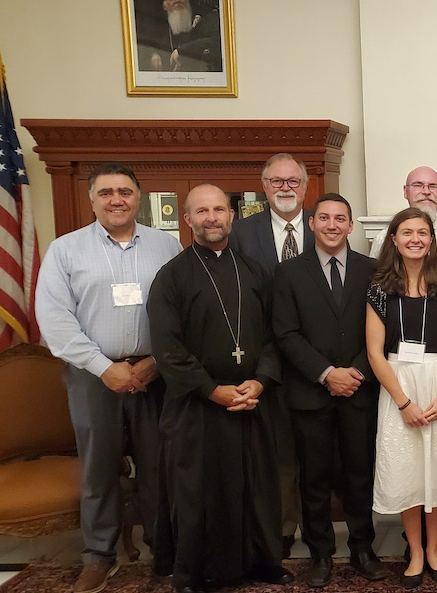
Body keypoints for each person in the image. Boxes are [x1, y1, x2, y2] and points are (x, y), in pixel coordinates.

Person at [35, 163, 182, 593]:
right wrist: (104, 367)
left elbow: (181, 311)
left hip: (156, 373)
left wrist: (157, 360)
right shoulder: (65, 250)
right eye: (106, 193)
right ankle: (99, 555)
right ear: (92, 199)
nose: (116, 200)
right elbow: (55, 320)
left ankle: (163, 551)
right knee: (99, 468)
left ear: (139, 196)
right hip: (92, 375)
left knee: (159, 467)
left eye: (124, 191)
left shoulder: (166, 245)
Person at [148, 184, 292, 593]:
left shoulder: (255, 270)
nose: (212, 217)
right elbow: (167, 348)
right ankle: (193, 571)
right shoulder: (171, 277)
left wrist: (260, 381)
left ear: (232, 216)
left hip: (251, 399)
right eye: (202, 211)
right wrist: (212, 390)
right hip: (197, 405)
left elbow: (274, 335)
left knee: (256, 487)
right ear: (187, 219)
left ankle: (263, 562)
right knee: (197, 492)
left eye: (219, 210)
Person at [272, 193, 386, 588]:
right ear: (311, 223)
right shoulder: (288, 273)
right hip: (310, 392)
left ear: (351, 226)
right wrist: (325, 373)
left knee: (359, 473)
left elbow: (384, 332)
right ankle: (319, 551)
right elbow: (285, 333)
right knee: (314, 478)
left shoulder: (374, 271)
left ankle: (362, 548)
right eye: (325, 218)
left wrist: (354, 372)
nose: (332, 225)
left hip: (360, 389)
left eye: (340, 219)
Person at [365, 207, 437, 588]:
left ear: (432, 239)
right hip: (399, 385)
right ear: (393, 239)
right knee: (408, 472)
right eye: (407, 232)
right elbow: (375, 352)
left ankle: (432, 550)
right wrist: (404, 402)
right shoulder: (379, 287)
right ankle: (414, 550)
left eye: (422, 232)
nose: (415, 239)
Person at [227, 152, 311, 555]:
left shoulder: (325, 225)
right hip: (265, 359)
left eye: (292, 181)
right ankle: (280, 528)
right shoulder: (242, 233)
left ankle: (319, 531)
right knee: (277, 454)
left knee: (316, 454)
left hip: (317, 362)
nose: (285, 188)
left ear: (305, 186)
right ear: (264, 186)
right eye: (276, 181)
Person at [371, 166, 437, 280]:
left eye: (433, 186)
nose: (426, 192)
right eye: (418, 185)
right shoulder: (382, 238)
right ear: (406, 191)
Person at [141, 0, 221, 72]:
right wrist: (152, 54)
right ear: (164, 6)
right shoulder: (160, 28)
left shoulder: (202, 20)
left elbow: (217, 40)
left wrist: (182, 51)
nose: (177, 0)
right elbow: (144, 44)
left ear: (187, 2)